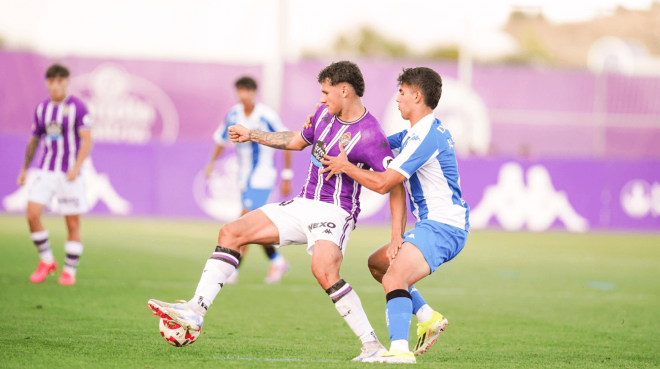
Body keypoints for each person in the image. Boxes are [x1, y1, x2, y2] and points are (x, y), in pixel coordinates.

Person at [148, 61, 406, 361]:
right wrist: (251, 134)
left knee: (324, 270)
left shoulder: (372, 135)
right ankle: (195, 309)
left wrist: (396, 235)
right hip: (302, 203)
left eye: (326, 92)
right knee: (231, 232)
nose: (322, 99)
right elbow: (297, 140)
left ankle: (372, 345)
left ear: (344, 90)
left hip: (336, 210)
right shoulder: (324, 113)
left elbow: (394, 185)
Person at [320, 67, 469, 363]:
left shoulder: (425, 136)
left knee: (395, 277)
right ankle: (427, 316)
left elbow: (386, 182)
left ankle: (399, 351)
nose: (397, 99)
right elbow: (378, 144)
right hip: (436, 224)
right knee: (378, 265)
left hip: (444, 227)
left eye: (401, 93)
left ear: (417, 95)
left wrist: (346, 166)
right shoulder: (417, 131)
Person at [204, 76, 292, 284]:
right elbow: (220, 139)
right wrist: (211, 163)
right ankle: (277, 260)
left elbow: (288, 139)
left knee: (243, 223)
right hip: (243, 178)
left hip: (262, 177)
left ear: (254, 92)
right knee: (255, 226)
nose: (243, 95)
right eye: (239, 90)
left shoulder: (266, 115)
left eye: (246, 90)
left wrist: (287, 175)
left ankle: (233, 269)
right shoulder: (233, 114)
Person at [16, 63, 94, 286]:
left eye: (60, 80)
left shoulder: (78, 107)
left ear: (66, 82)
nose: (56, 85)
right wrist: (24, 169)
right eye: (51, 80)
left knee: (71, 224)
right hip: (46, 171)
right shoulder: (42, 109)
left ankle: (69, 270)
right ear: (47, 83)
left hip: (69, 173)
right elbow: (34, 140)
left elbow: (87, 139)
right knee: (32, 214)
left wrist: (77, 166)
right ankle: (47, 260)